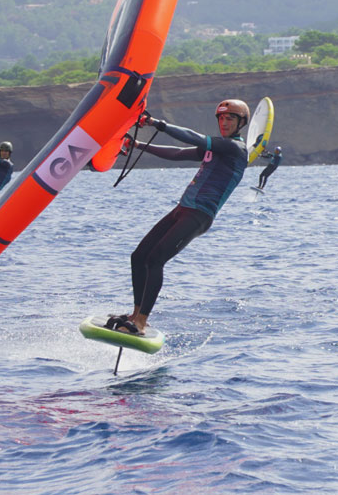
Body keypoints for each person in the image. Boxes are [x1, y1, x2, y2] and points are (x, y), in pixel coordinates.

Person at [107, 99, 249, 336]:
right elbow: (177, 153)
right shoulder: (218, 147)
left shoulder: (234, 148)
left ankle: (141, 322)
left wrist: (157, 124)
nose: (224, 123)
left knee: (155, 260)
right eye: (221, 118)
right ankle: (135, 314)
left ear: (241, 123)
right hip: (183, 209)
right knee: (139, 256)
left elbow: (194, 138)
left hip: (200, 215)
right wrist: (138, 145)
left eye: (230, 119)